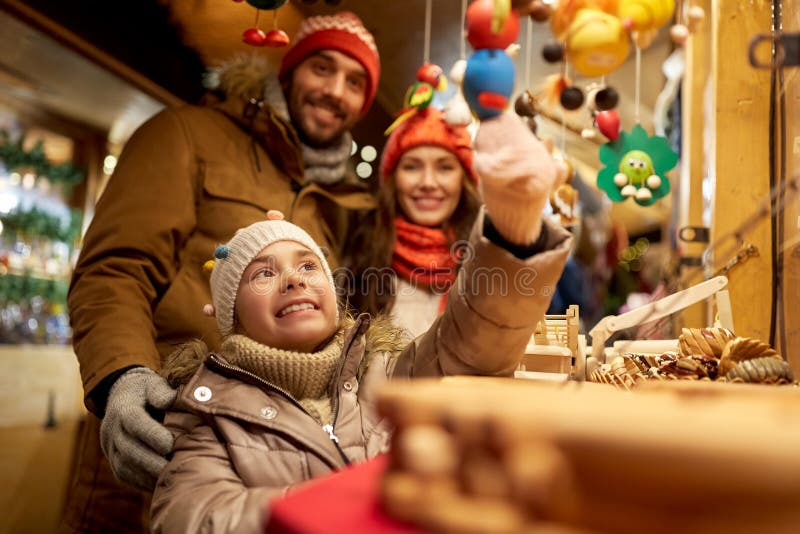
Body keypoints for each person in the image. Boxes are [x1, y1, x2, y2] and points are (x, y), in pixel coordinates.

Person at [149, 111, 572, 533]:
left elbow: (467, 345)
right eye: (263, 273)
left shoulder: (384, 374)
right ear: (231, 316)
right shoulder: (208, 414)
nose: (293, 279)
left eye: (309, 267)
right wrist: (350, 502)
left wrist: (511, 229)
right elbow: (192, 518)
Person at [61, 12, 379, 534]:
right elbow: (114, 270)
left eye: (355, 82)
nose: (336, 91)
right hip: (162, 427)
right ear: (289, 71)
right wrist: (123, 376)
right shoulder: (187, 133)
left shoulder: (335, 200)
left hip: (268, 457)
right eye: (323, 68)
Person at [345, 107, 481, 337]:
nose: (428, 182)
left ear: (464, 179)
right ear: (393, 179)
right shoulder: (360, 252)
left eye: (445, 167)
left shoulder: (485, 257)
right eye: (412, 166)